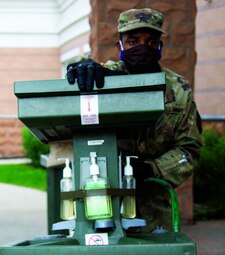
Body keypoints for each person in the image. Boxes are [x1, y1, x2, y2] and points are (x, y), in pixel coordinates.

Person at [66, 8, 202, 232]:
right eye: (133, 40)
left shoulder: (178, 89)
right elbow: (66, 114)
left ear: (160, 46)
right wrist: (81, 71)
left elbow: (190, 149)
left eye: (151, 42)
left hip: (155, 208)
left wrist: (152, 169)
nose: (143, 48)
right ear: (119, 45)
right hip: (101, 202)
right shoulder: (102, 78)